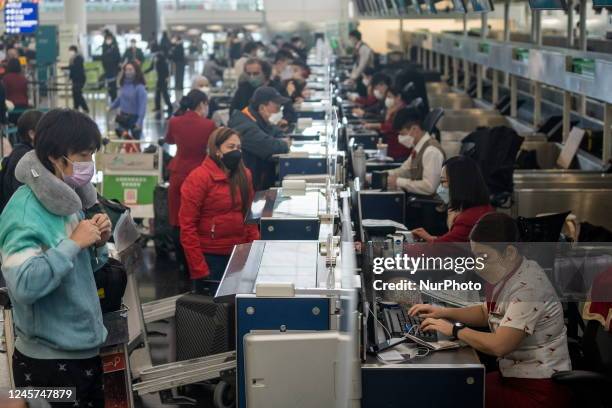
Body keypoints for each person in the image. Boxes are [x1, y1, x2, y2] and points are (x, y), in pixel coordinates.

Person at [0, 109, 111, 408]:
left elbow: (77, 271)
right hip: (47, 366)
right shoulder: (24, 212)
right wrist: (72, 244)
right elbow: (22, 285)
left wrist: (96, 245)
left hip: (84, 353)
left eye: (91, 155)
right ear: (54, 156)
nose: (88, 164)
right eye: (82, 155)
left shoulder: (67, 199)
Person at [409, 212, 572, 408]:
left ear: (509, 253)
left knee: (450, 395)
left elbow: (499, 345)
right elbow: (487, 313)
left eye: (484, 257)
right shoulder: (511, 272)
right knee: (450, 385)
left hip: (537, 391)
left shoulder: (529, 287)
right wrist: (443, 312)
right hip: (511, 377)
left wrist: (454, 329)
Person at [179, 127, 260, 294]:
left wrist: (255, 249)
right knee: (212, 315)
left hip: (239, 253)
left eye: (238, 148)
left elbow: (249, 216)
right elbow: (187, 226)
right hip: (211, 257)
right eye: (230, 147)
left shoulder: (245, 175)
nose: (236, 152)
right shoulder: (198, 178)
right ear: (216, 150)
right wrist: (199, 268)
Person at [166, 90, 216, 271]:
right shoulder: (209, 125)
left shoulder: (174, 122)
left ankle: (181, 263)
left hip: (178, 173)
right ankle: (196, 262)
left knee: (177, 219)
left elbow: (169, 140)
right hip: (200, 175)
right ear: (202, 104)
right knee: (197, 217)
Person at [411, 156, 494, 243]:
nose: (439, 188)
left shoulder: (467, 220)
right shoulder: (482, 209)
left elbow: (443, 248)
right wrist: (431, 239)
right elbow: (450, 241)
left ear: (458, 183)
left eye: (443, 182)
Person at [228, 86, 290, 191]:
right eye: (277, 108)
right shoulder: (243, 126)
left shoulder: (258, 120)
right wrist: (284, 144)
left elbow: (278, 133)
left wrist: (280, 139)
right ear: (262, 108)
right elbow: (271, 147)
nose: (280, 111)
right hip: (248, 188)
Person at [387, 106, 445, 196]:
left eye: (402, 134)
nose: (400, 138)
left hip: (429, 206)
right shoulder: (418, 147)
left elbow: (429, 187)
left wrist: (398, 182)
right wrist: (383, 175)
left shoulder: (431, 151)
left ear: (414, 129)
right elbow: (406, 170)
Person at [0, 109, 43, 212]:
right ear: (32, 134)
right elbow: (24, 197)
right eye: (45, 130)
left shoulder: (21, 152)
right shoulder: (25, 158)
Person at [362, 86, 410, 161]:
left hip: (396, 151)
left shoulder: (403, 111)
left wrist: (374, 125)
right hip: (389, 147)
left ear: (398, 97)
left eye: (389, 96)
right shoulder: (394, 109)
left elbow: (392, 127)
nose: (387, 99)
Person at [110, 62, 148, 139]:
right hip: (123, 117)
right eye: (126, 70)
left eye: (130, 69)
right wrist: (112, 106)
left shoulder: (140, 88)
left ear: (136, 71)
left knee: (135, 145)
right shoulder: (124, 85)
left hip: (134, 119)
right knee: (122, 143)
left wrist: (139, 121)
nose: (127, 72)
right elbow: (120, 98)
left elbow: (142, 106)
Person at [145, 44, 173, 119]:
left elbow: (165, 67)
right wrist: (145, 72)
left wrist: (167, 77)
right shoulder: (154, 57)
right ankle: (157, 107)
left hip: (163, 78)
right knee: (157, 93)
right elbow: (152, 67)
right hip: (159, 78)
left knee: (164, 93)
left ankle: (170, 107)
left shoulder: (161, 56)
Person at [2, 58, 28, 124]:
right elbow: (25, 93)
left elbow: (4, 94)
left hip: (11, 107)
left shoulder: (6, 78)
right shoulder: (23, 78)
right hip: (24, 106)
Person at [67, 45, 89, 113]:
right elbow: (71, 69)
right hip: (75, 79)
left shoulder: (79, 58)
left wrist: (70, 69)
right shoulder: (72, 59)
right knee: (75, 93)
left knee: (77, 93)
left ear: (74, 51)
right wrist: (70, 77)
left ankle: (85, 108)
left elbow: (76, 68)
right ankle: (76, 108)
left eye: (71, 51)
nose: (70, 52)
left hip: (80, 78)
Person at [101, 33, 121, 101]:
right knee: (109, 86)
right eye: (107, 39)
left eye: (109, 39)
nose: (108, 40)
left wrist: (117, 68)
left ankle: (114, 100)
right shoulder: (104, 48)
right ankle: (112, 99)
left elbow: (118, 58)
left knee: (113, 86)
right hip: (107, 69)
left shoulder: (115, 48)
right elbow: (103, 58)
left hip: (114, 69)